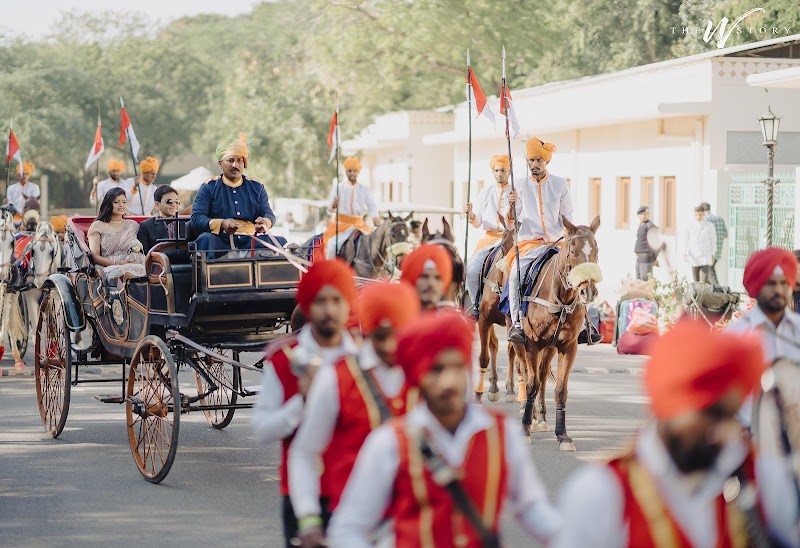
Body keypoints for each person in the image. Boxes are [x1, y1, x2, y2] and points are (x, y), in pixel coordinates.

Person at [552, 320, 799, 548]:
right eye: (710, 414)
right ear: (668, 407)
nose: (722, 432)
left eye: (729, 416)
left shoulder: (763, 478)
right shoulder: (598, 496)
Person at [328, 312, 562, 547]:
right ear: (419, 375)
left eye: (458, 367)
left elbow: (531, 508)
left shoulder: (502, 432)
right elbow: (348, 529)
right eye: (437, 369)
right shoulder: (389, 442)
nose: (449, 381)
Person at [289, 282, 421, 548]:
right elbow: (304, 452)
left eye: (397, 335)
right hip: (353, 529)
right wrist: (309, 519)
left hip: (414, 526)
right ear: (366, 332)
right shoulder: (336, 377)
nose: (389, 346)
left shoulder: (426, 377)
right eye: (380, 337)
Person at [251, 260, 358, 548]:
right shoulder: (283, 360)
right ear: (308, 305)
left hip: (355, 493)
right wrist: (302, 403)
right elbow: (262, 429)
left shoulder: (361, 361)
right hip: (301, 494)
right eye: (321, 301)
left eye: (336, 300)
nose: (329, 310)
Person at [506, 137, 574, 343]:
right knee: (514, 277)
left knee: (577, 274)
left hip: (557, 244)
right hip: (530, 245)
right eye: (531, 160)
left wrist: (569, 238)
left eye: (538, 160)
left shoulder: (560, 184)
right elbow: (510, 224)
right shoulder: (518, 186)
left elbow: (568, 216)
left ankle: (584, 324)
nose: (534, 164)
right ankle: (517, 323)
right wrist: (511, 206)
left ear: (547, 161)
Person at [726, 248, 800, 428]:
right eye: (771, 283)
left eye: (784, 283)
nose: (779, 290)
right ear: (758, 285)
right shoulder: (735, 335)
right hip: (749, 431)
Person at [189, 133, 282, 257]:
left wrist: (265, 222)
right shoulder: (209, 186)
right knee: (206, 239)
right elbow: (196, 218)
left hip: (250, 241)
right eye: (230, 160)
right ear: (220, 163)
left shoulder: (256, 186)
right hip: (220, 241)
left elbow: (268, 213)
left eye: (239, 160)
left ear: (244, 163)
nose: (235, 165)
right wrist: (222, 223)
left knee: (280, 242)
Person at [464, 154, 512, 318]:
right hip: (489, 241)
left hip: (511, 240)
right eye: (496, 171)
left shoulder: (515, 192)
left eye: (503, 170)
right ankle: (476, 306)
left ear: (509, 171)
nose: (500, 174)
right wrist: (471, 214)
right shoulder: (485, 192)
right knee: (471, 270)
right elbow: (477, 222)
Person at [323, 157, 380, 259]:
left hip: (359, 226)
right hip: (341, 226)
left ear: (358, 172)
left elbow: (372, 205)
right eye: (350, 171)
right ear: (346, 172)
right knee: (332, 247)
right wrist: (334, 204)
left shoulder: (364, 189)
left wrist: (375, 217)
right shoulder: (339, 187)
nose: (352, 173)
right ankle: (330, 268)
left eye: (354, 171)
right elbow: (329, 209)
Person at [87, 188, 145, 285]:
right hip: (109, 269)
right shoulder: (97, 226)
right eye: (116, 202)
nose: (121, 205)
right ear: (108, 204)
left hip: (135, 266)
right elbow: (95, 256)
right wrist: (118, 263)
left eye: (124, 202)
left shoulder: (133, 225)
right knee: (128, 272)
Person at [400, 244, 452, 311]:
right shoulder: (397, 317)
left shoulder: (450, 317)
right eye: (424, 277)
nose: (431, 284)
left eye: (437, 278)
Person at [137, 185, 181, 252]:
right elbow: (144, 254)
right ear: (157, 205)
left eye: (177, 202)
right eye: (169, 202)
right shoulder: (146, 226)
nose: (174, 205)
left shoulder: (186, 224)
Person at [684, 205, 716, 283]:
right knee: (696, 281)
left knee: (704, 280)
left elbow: (713, 241)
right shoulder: (690, 225)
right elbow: (686, 240)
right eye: (697, 215)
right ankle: (698, 291)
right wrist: (685, 252)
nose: (698, 217)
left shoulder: (709, 225)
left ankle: (706, 290)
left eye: (700, 215)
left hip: (705, 256)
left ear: (703, 214)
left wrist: (713, 254)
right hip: (694, 256)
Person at [701, 202, 727, 284]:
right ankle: (709, 289)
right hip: (718, 251)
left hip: (708, 251)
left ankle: (717, 289)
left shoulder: (705, 220)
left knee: (710, 272)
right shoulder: (720, 219)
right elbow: (726, 235)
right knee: (707, 272)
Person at [633, 206, 658, 281]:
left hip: (646, 259)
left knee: (645, 282)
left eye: (645, 214)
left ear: (648, 214)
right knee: (639, 281)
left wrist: (654, 258)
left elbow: (655, 243)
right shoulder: (641, 225)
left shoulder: (649, 226)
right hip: (639, 259)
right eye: (641, 214)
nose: (643, 216)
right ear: (638, 216)